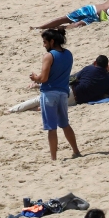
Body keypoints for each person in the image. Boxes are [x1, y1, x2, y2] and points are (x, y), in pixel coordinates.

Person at [30, 29, 81, 160]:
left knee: (51, 128)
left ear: (52, 41)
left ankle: (53, 157)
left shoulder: (49, 56)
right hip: (63, 93)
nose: (44, 45)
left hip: (49, 93)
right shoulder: (68, 54)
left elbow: (44, 78)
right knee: (65, 124)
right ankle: (76, 151)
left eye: (45, 42)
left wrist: (36, 78)